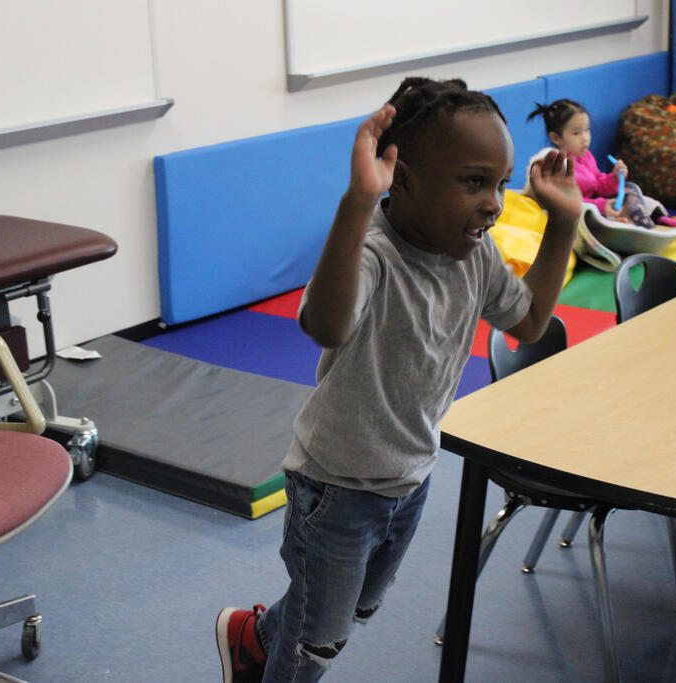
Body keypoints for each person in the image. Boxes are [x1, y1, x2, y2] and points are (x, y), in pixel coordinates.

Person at [216, 77, 582, 683]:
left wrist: (564, 221)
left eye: (500, 183)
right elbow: (325, 325)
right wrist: (358, 202)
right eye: (473, 183)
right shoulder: (373, 254)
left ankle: (251, 638)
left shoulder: (476, 252)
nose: (494, 203)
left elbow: (529, 321)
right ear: (404, 180)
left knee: (351, 609)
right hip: (336, 488)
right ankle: (267, 653)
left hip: (410, 476)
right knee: (317, 643)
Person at [526, 98, 676, 228]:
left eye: (587, 130)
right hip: (580, 216)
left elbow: (598, 184)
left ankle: (654, 217)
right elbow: (565, 203)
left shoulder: (586, 156)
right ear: (556, 138)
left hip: (598, 206)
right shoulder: (557, 165)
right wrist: (600, 206)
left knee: (631, 188)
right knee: (612, 213)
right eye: (576, 133)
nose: (585, 138)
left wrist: (615, 177)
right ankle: (636, 223)